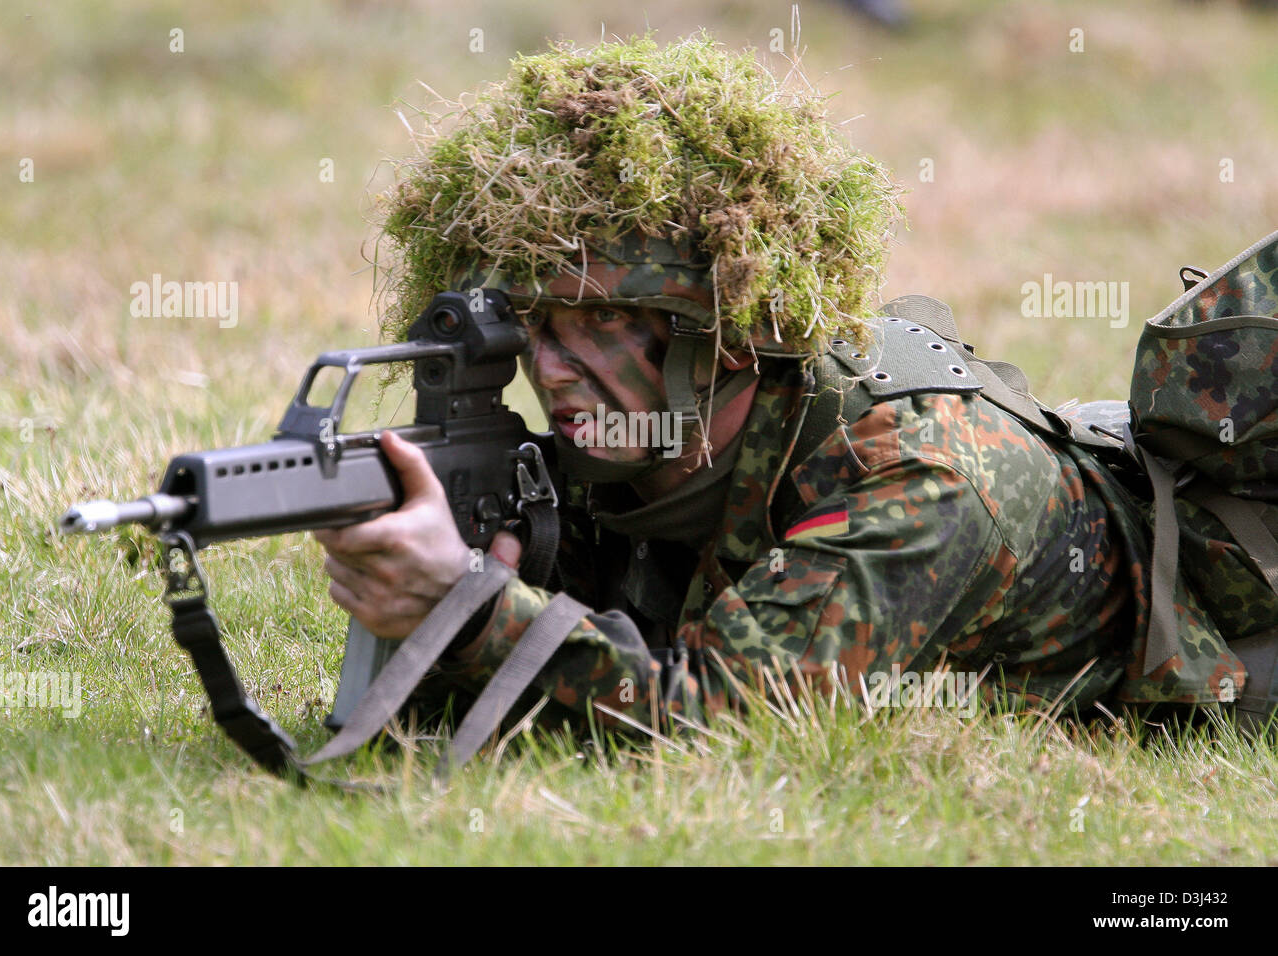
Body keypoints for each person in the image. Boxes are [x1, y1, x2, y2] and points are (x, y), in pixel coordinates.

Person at [313, 36, 1243, 739]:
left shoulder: (921, 476)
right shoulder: (636, 451)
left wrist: (474, 606)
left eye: (599, 322)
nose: (551, 370)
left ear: (730, 335)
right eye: (534, 326)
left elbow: (726, 718)